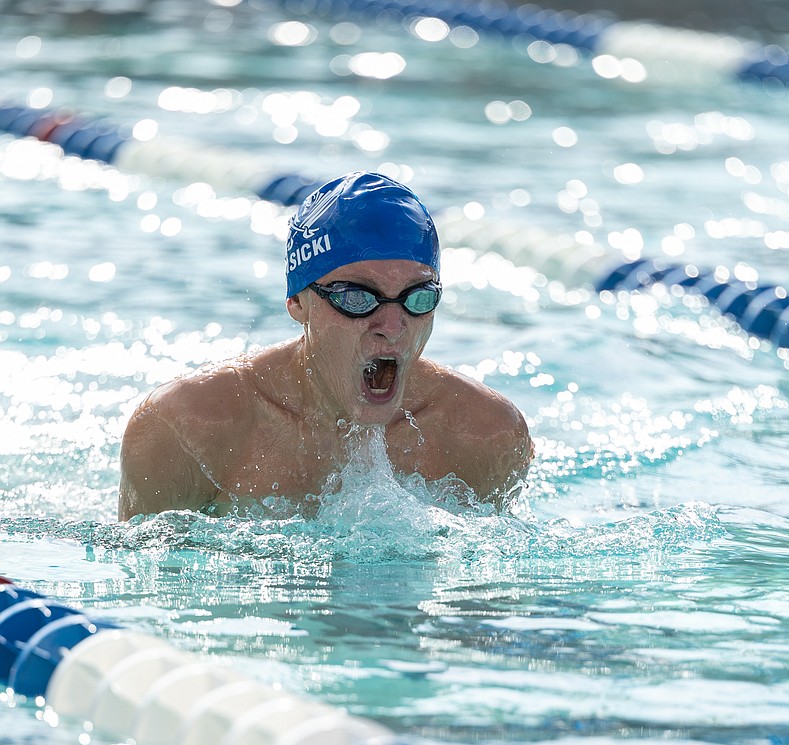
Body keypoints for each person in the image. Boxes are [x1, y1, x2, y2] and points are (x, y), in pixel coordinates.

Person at [118, 171, 533, 520]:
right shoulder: (186, 427)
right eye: (357, 298)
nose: (392, 326)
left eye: (417, 297)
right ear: (298, 302)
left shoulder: (483, 432)